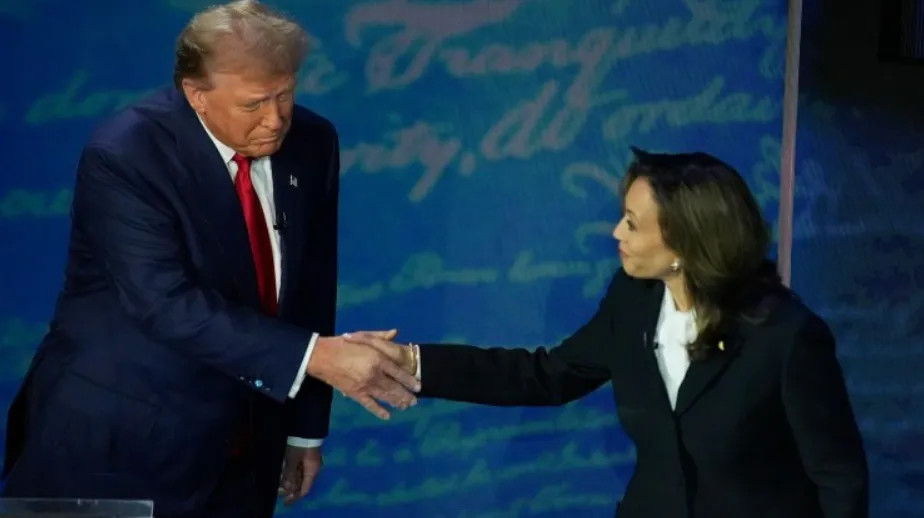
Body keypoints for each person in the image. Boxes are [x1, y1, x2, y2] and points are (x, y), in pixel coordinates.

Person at [1, 2, 420, 517]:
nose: (275, 120)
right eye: (253, 104)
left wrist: (304, 432)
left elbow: (310, 286)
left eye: (285, 95)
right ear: (195, 95)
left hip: (248, 445)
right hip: (121, 442)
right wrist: (317, 358)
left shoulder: (312, 141)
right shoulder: (127, 154)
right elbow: (165, 303)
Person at [346, 148, 870, 518]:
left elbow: (839, 477)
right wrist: (412, 362)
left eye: (632, 224)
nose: (616, 234)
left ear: (687, 243)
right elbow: (546, 376)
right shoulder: (634, 299)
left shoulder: (786, 336)